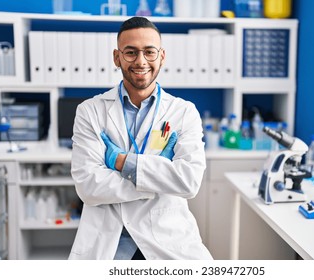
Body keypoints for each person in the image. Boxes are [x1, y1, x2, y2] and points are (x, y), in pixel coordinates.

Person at [68, 16, 212, 260]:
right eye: (131, 52)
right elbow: (88, 186)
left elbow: (189, 181)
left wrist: (124, 163)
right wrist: (157, 180)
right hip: (109, 245)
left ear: (162, 56)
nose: (141, 61)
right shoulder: (90, 111)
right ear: (117, 57)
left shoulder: (184, 112)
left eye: (149, 52)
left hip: (168, 241)